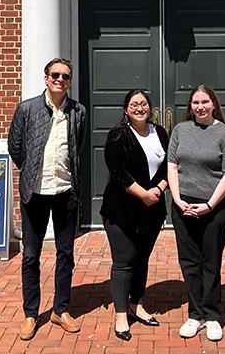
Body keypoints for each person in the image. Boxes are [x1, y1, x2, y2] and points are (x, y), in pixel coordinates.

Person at [8, 57, 87, 341]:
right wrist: (30, 170)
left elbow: (79, 147)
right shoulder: (27, 108)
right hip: (35, 193)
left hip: (65, 191)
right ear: (46, 77)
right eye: (55, 75)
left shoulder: (78, 111)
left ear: (70, 81)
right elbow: (15, 147)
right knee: (31, 255)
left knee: (66, 254)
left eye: (65, 76)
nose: (60, 80)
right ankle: (31, 314)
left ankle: (60, 309)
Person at [167, 84, 225, 342]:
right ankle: (195, 315)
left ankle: (212, 316)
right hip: (183, 207)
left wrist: (208, 205)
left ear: (214, 104)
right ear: (190, 106)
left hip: (214, 209)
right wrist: (177, 199)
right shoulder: (180, 130)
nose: (200, 107)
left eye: (205, 102)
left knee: (211, 263)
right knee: (189, 263)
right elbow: (172, 166)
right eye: (195, 103)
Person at [100, 89, 169, 342]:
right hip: (121, 210)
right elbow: (117, 172)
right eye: (134, 104)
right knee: (124, 260)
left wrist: (159, 189)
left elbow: (169, 166)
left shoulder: (159, 132)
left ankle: (136, 304)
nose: (139, 108)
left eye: (143, 104)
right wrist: (143, 194)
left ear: (149, 107)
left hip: (152, 210)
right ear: (126, 109)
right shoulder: (118, 135)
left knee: (142, 259)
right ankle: (121, 314)